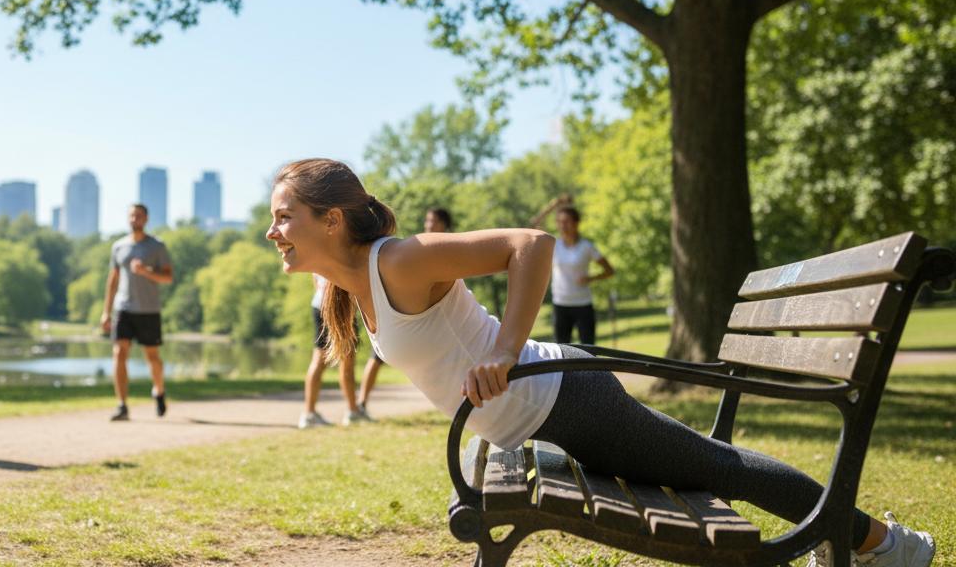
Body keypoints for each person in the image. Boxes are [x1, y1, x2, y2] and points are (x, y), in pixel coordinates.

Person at [264, 158, 935, 567]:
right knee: (709, 465)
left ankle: (888, 545)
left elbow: (529, 245)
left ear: (332, 220)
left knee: (718, 468)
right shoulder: (348, 286)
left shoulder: (399, 261)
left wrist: (504, 351)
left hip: (566, 404)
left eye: (284, 217)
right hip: (547, 412)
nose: (273, 232)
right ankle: (865, 542)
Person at [355, 206, 454, 418]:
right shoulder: (416, 244)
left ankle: (448, 401)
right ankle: (361, 403)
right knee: (376, 357)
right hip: (401, 310)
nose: (429, 224)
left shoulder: (447, 245)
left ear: (444, 225)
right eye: (427, 220)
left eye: (433, 221)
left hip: (431, 313)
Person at [101, 203, 174, 421]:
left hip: (149, 310)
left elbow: (167, 277)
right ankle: (122, 405)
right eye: (132, 216)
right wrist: (106, 312)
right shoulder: (118, 246)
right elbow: (113, 281)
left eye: (139, 216)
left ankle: (159, 391)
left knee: (152, 357)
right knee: (119, 353)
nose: (135, 219)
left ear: (146, 219)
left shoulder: (157, 246)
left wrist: (145, 271)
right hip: (123, 308)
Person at [530, 195, 614, 345]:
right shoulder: (554, 244)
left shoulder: (586, 247)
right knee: (561, 350)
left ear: (576, 223)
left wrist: (591, 278)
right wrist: (554, 204)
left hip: (583, 305)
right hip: (560, 305)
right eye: (559, 222)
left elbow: (609, 271)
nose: (562, 226)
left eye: (566, 221)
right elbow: (536, 223)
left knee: (588, 350)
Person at [299, 274, 364, 428]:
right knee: (347, 361)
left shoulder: (315, 257)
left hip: (320, 304)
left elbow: (315, 280)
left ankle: (309, 414)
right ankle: (352, 412)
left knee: (319, 360)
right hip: (340, 307)